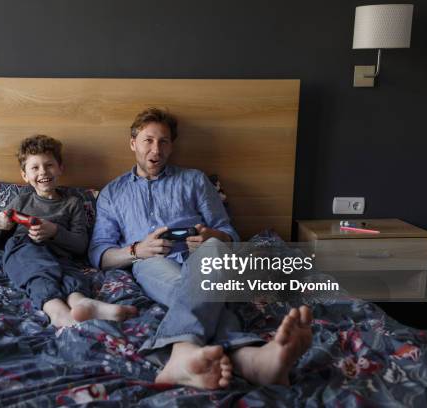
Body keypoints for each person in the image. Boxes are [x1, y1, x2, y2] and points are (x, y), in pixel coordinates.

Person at [89, 108, 312, 389]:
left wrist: (211, 236)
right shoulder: (112, 193)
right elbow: (99, 254)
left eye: (164, 141)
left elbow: (228, 234)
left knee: (214, 252)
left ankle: (182, 352)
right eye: (148, 140)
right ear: (132, 142)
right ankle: (251, 360)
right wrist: (136, 250)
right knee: (193, 289)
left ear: (172, 145)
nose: (156, 149)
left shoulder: (195, 179)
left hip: (204, 256)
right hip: (152, 261)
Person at [0, 135, 137, 328]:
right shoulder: (22, 201)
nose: (43, 172)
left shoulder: (72, 203)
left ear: (60, 168)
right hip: (25, 249)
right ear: (25, 175)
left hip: (61, 255)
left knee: (71, 274)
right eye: (34, 167)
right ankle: (57, 312)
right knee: (37, 272)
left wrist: (55, 231)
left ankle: (81, 302)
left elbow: (80, 246)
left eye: (49, 165)